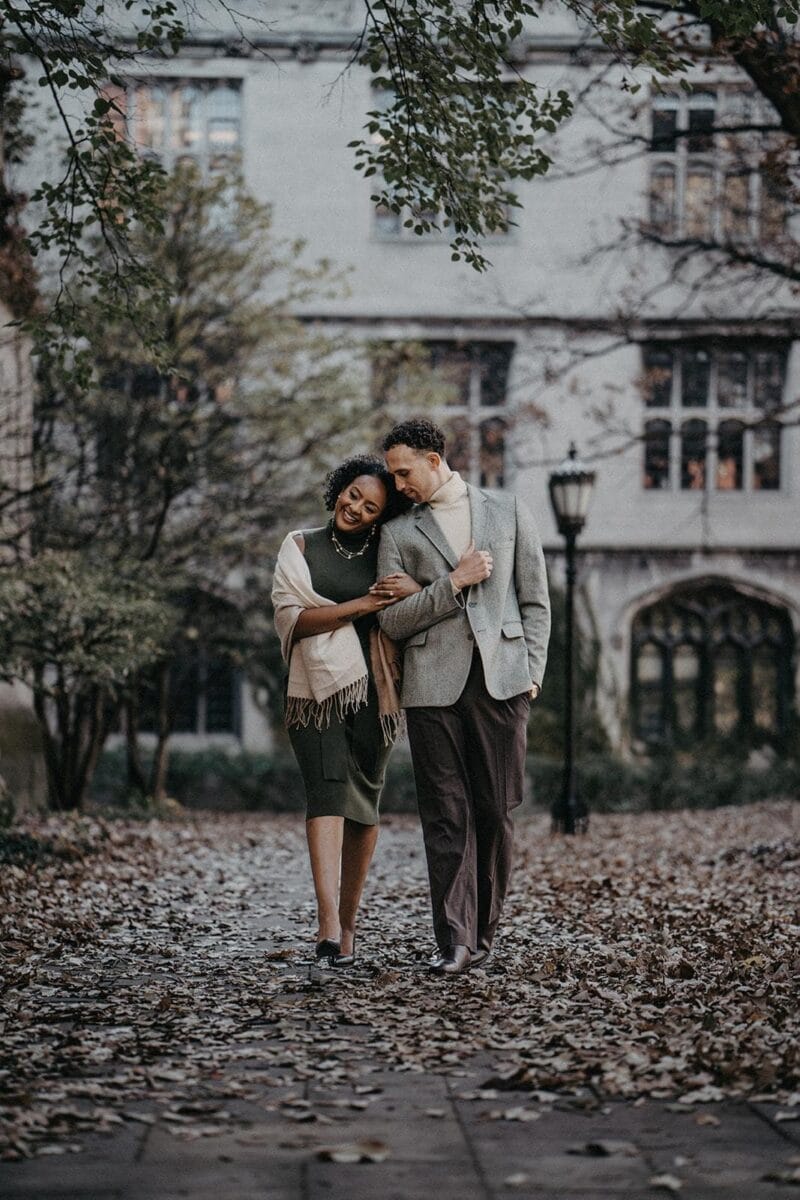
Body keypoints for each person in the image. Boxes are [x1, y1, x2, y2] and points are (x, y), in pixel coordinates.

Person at [374, 418, 550, 976]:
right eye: (392, 475)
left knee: (495, 812)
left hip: (502, 683)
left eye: (403, 472)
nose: (397, 484)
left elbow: (535, 601)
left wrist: (533, 675)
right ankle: (454, 939)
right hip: (431, 688)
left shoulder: (509, 510)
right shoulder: (398, 533)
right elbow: (392, 619)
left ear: (433, 458)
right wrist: (452, 585)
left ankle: (485, 931)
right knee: (446, 816)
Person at [272, 456, 417, 968]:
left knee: (364, 804)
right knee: (327, 793)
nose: (354, 508)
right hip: (313, 690)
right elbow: (293, 619)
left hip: (377, 689)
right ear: (340, 487)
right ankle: (328, 923)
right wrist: (361, 607)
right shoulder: (301, 545)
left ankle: (351, 922)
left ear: (382, 517)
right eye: (352, 494)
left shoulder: (390, 551)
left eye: (370, 506)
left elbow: (414, 599)